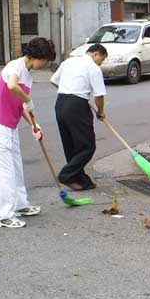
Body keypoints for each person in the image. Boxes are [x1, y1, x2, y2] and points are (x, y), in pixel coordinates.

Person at [0, 37, 56, 229]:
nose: (46, 64)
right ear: (37, 57)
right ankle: (3, 215)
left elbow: (19, 104)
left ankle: (20, 205)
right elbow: (12, 86)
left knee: (16, 168)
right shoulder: (14, 67)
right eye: (46, 60)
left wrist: (34, 124)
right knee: (3, 172)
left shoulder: (28, 74)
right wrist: (28, 99)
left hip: (10, 127)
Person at [50, 44, 108, 191]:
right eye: (102, 59)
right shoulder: (93, 68)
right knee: (87, 146)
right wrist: (100, 112)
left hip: (60, 103)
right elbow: (99, 95)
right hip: (77, 106)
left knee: (71, 145)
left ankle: (80, 179)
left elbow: (54, 80)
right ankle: (66, 174)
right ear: (95, 54)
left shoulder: (68, 62)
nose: (101, 63)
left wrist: (70, 90)